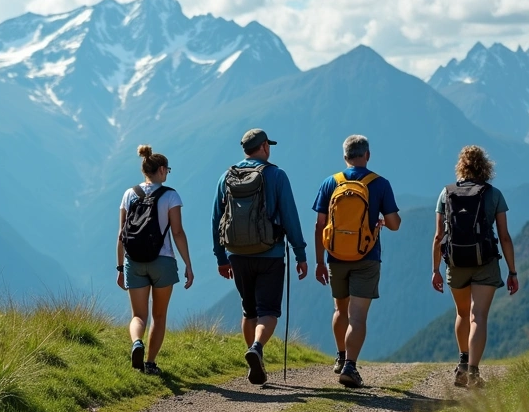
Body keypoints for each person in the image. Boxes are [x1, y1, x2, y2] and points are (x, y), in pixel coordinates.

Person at [212, 129, 308, 385]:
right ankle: (256, 347)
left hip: (237, 254)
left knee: (249, 309)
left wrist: (221, 257)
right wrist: (300, 253)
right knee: (269, 311)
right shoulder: (276, 175)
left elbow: (216, 219)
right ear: (264, 146)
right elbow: (290, 216)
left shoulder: (226, 177)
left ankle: (256, 359)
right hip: (270, 253)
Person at [313, 135, 400, 388]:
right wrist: (382, 221)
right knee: (358, 315)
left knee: (340, 310)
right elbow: (394, 224)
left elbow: (320, 225)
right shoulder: (380, 184)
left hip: (336, 257)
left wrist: (320, 261)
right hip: (367, 257)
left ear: (345, 157)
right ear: (367, 155)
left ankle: (340, 357)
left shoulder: (331, 183)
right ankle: (351, 366)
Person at [430, 146, 519, 389]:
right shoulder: (494, 194)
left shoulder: (445, 193)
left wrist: (435, 269)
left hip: (456, 262)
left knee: (461, 313)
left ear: (461, 166)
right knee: (478, 315)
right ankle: (473, 371)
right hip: (485, 262)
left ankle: (462, 363)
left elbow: (439, 237)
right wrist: (512, 271)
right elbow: (505, 237)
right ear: (485, 166)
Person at [117, 145, 194, 376]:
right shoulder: (171, 195)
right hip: (163, 261)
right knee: (159, 316)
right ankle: (150, 364)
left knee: (138, 315)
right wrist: (188, 264)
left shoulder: (129, 194)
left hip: (134, 261)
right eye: (167, 170)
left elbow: (121, 233)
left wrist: (120, 267)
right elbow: (178, 233)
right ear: (161, 170)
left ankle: (136, 343)